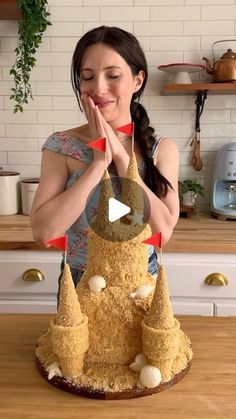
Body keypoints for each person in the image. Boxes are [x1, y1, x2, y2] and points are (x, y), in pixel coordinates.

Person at [30, 25, 180, 290]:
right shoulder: (61, 146)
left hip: (142, 282)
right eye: (88, 77)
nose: (98, 88)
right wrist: (98, 163)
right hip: (81, 281)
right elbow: (44, 233)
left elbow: (161, 234)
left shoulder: (160, 149)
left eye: (112, 75)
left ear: (138, 80)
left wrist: (120, 156)